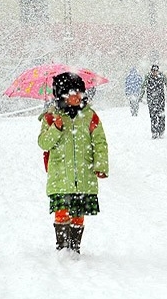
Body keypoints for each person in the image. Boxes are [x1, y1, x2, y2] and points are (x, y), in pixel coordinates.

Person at [38, 72, 109, 254]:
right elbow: (43, 143)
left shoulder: (89, 116)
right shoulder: (51, 117)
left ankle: (75, 247)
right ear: (61, 94)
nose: (77, 96)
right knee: (62, 211)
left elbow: (99, 142)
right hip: (61, 176)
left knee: (78, 213)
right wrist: (56, 128)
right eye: (72, 93)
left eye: (80, 92)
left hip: (83, 175)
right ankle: (62, 248)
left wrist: (100, 165)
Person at [139, 64, 167, 139]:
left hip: (160, 99)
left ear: (158, 71)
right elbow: (143, 87)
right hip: (151, 100)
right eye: (153, 71)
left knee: (161, 115)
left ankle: (161, 131)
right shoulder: (148, 77)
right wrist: (140, 96)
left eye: (156, 71)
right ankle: (154, 132)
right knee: (153, 116)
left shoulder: (162, 76)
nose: (154, 72)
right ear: (151, 71)